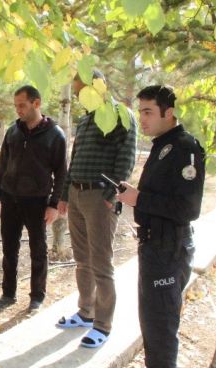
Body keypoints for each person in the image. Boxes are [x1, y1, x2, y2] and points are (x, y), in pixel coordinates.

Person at [116, 85, 205, 368]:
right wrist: (136, 198)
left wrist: (139, 200)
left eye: (149, 111)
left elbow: (188, 208)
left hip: (169, 248)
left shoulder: (185, 148)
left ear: (169, 112)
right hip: (153, 245)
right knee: (150, 318)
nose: (143, 118)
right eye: (141, 111)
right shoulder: (163, 146)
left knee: (162, 323)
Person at [55, 71, 137, 348]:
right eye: (76, 93)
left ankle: (103, 324)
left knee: (101, 262)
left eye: (81, 92)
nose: (79, 98)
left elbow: (126, 156)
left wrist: (112, 193)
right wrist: (65, 194)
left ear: (98, 87)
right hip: (77, 193)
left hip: (100, 197)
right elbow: (74, 158)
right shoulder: (86, 119)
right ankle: (85, 312)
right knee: (82, 259)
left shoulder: (119, 115)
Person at [0, 85, 67, 312]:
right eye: (15, 106)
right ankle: (8, 293)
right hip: (10, 199)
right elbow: (3, 164)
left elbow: (62, 173)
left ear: (36, 103)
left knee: (38, 250)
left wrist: (54, 204)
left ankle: (37, 296)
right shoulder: (13, 132)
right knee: (9, 249)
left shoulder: (55, 135)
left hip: (37, 202)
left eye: (22, 105)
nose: (18, 110)